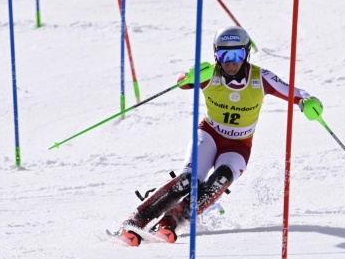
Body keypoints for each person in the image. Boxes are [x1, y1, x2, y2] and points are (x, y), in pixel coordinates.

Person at [117, 26, 323, 246]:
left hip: (239, 145)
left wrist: (307, 101)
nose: (231, 62)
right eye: (224, 55)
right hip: (209, 135)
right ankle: (136, 219)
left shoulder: (260, 78)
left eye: (238, 55)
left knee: (221, 180)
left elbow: (294, 92)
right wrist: (192, 74)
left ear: (246, 54)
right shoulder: (211, 75)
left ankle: (171, 221)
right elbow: (183, 83)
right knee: (188, 180)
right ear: (216, 54)